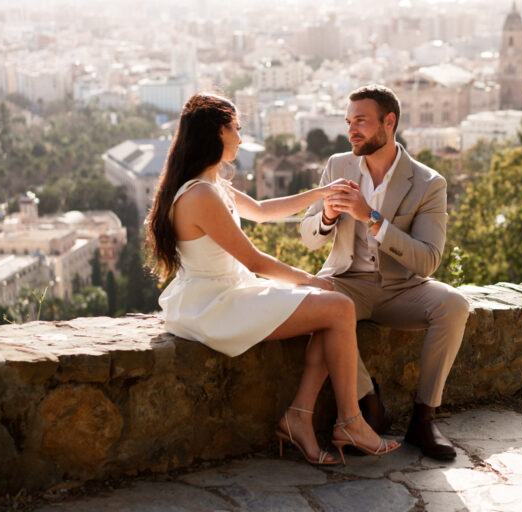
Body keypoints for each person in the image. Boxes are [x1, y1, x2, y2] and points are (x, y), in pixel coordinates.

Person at [146, 92, 399, 465]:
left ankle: (303, 418)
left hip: (224, 295)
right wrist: (309, 280)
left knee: (332, 312)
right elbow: (253, 261)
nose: (241, 138)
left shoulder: (208, 185)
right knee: (338, 306)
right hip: (218, 305)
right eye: (237, 128)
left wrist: (323, 192)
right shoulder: (200, 194)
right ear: (218, 133)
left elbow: (263, 211)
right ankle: (348, 421)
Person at [300, 85, 469, 460]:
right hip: (345, 283)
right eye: (349, 121)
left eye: (361, 120)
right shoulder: (338, 165)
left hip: (401, 289)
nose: (352, 130)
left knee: (455, 304)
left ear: (388, 122)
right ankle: (368, 403)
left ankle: (424, 419)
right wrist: (326, 217)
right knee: (314, 300)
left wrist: (372, 219)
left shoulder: (428, 183)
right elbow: (308, 238)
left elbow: (427, 261)